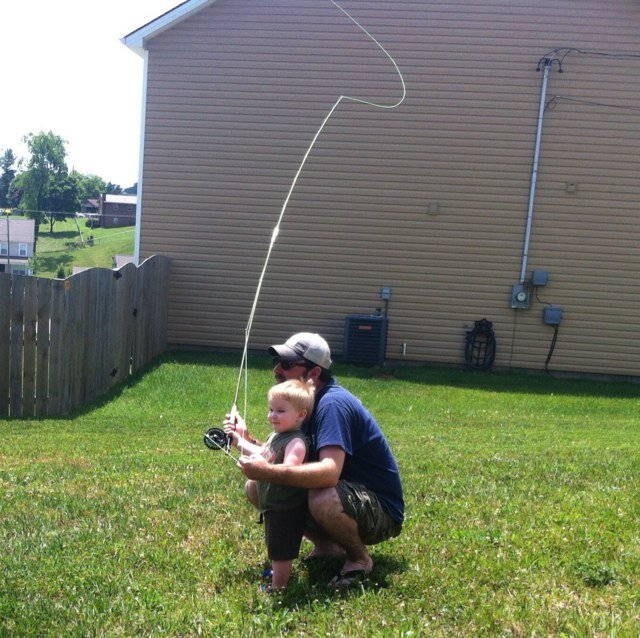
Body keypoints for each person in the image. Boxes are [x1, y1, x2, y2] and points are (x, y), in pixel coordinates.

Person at [226, 332, 404, 588]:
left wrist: (268, 472)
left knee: (321, 496)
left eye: (287, 364)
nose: (277, 369)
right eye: (277, 362)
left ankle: (360, 560)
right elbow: (283, 454)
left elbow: (329, 473)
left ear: (314, 374)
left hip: (381, 511)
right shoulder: (304, 405)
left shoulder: (332, 404)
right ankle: (327, 546)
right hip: (349, 495)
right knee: (256, 487)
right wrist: (243, 438)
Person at [225, 379, 314, 592]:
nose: (273, 415)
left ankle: (278, 587)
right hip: (274, 504)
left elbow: (289, 470)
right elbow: (260, 452)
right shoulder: (277, 436)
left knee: (282, 549)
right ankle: (279, 575)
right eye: (271, 409)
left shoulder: (296, 442)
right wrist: (237, 440)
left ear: (300, 415)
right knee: (275, 542)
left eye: (281, 411)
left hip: (287, 507)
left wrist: (262, 467)